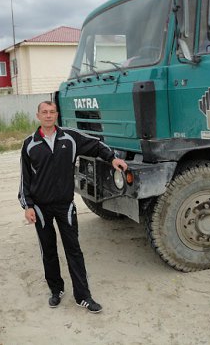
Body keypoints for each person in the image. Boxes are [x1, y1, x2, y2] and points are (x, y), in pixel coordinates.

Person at [18, 100, 127, 313]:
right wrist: (27, 205)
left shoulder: (70, 137)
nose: (48, 115)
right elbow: (25, 178)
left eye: (52, 112)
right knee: (48, 250)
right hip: (40, 207)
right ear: (38, 116)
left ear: (56, 115)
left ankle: (83, 296)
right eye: (44, 112)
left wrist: (112, 159)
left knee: (73, 250)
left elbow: (96, 144)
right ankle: (56, 290)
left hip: (65, 206)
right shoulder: (29, 144)